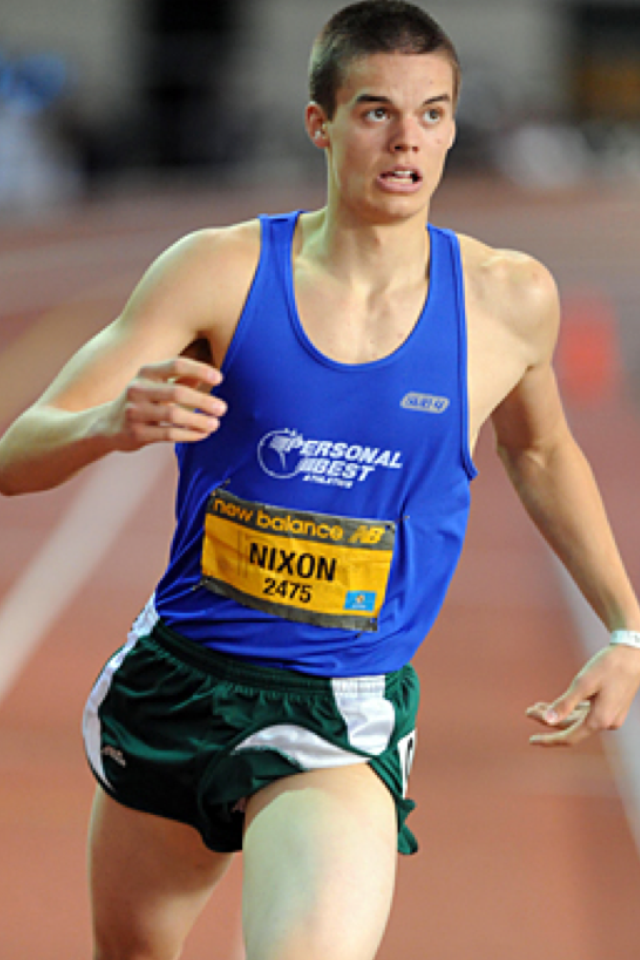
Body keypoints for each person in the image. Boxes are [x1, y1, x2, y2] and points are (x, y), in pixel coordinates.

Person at [1, 2, 640, 958]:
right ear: (321, 123)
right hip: (179, 682)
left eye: (432, 114)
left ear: (456, 125)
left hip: (339, 712)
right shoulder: (218, 271)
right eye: (377, 110)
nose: (407, 140)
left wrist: (626, 625)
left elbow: (541, 451)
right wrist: (108, 423)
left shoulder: (507, 300)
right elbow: (19, 453)